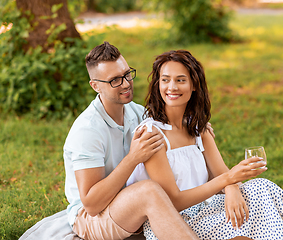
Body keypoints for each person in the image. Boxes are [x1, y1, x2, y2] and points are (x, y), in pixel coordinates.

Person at [126, 50, 283, 240]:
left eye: (181, 80)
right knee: (248, 222)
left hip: (204, 208)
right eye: (165, 80)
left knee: (263, 188)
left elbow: (221, 171)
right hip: (174, 221)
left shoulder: (198, 127)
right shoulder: (152, 135)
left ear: (193, 85)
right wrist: (229, 180)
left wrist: (232, 188)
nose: (172, 87)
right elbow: (173, 202)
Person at [63, 42, 201, 240]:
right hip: (91, 217)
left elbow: (172, 124)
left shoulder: (137, 113)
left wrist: (195, 126)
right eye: (115, 81)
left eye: (127, 74)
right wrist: (132, 158)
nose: (126, 83)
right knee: (149, 191)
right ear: (95, 86)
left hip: (128, 203)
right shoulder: (87, 130)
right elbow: (91, 205)